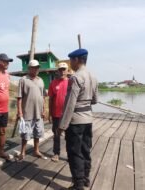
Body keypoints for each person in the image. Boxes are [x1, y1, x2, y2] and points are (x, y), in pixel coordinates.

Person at [58, 49, 98, 190]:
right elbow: (95, 100)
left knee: (75, 152)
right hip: (88, 119)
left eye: (71, 61)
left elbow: (70, 104)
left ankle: (78, 185)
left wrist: (62, 125)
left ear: (76, 60)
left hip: (76, 122)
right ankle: (86, 178)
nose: (70, 64)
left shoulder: (75, 78)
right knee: (86, 150)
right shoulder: (92, 76)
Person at [16, 59, 47, 161]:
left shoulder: (41, 80)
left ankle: (36, 150)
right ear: (29, 68)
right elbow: (19, 97)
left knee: (37, 132)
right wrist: (20, 112)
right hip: (27, 112)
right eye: (34, 67)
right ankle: (23, 151)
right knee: (25, 134)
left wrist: (44, 109)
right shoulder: (23, 80)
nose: (36, 69)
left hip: (38, 112)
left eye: (37, 67)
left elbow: (43, 97)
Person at [48, 62, 69, 162]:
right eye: (60, 69)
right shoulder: (53, 83)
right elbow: (50, 100)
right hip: (56, 114)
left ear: (67, 71)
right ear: (57, 71)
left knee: (69, 136)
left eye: (64, 69)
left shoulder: (71, 82)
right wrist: (49, 114)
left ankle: (70, 155)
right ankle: (56, 153)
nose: (62, 71)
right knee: (56, 135)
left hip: (68, 115)